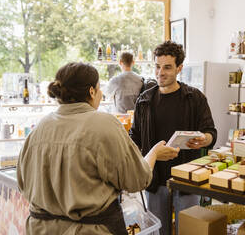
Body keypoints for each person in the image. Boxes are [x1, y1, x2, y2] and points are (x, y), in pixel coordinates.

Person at [17, 62, 180, 235]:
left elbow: (22, 183)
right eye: (99, 88)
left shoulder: (39, 129)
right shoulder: (104, 124)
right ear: (91, 91)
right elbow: (137, 180)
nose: (101, 93)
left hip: (39, 229)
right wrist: (154, 153)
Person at [129, 41, 217, 235]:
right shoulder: (144, 101)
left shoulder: (195, 98)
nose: (160, 72)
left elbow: (211, 132)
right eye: (157, 66)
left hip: (186, 178)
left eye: (167, 67)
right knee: (158, 231)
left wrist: (204, 139)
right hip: (154, 179)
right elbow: (133, 137)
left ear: (179, 68)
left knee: (188, 230)